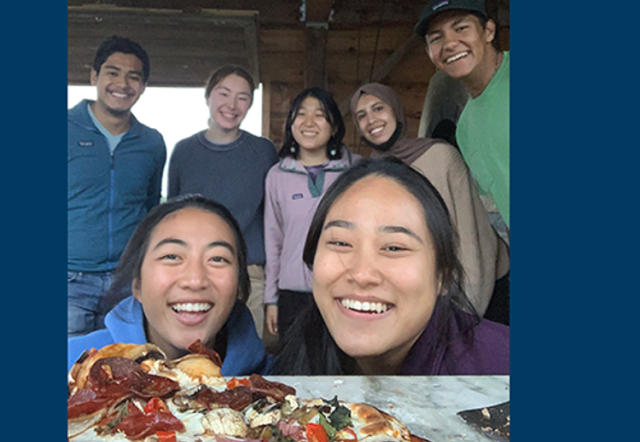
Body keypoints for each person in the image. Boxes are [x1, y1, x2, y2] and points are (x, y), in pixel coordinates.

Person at [272, 157, 509, 376]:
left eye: (394, 248)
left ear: (442, 275)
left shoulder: (501, 369)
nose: (362, 274)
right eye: (341, 242)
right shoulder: (294, 368)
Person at [350, 82, 509, 323]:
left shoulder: (441, 158)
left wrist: (467, 310)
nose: (371, 119)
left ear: (395, 111)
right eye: (361, 115)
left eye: (378, 108)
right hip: (426, 299)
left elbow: (473, 239)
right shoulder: (370, 174)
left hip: (479, 293)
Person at [68, 195, 270, 376]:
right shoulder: (72, 364)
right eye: (171, 256)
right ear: (137, 284)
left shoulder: (282, 384)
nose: (195, 280)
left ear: (239, 287)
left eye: (217, 259)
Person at [168, 65, 279, 338]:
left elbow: (275, 216)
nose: (232, 104)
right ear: (208, 97)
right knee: (197, 350)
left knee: (249, 355)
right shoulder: (184, 151)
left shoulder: (263, 151)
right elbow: (170, 217)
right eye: (224, 94)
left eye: (242, 97)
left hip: (250, 273)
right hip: (195, 271)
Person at [68, 35, 167, 337]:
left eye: (133, 76)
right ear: (94, 76)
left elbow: (150, 208)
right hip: (69, 281)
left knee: (125, 371)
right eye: (112, 72)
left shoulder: (152, 142)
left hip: (127, 283)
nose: (122, 84)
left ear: (143, 85)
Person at [263, 87, 362, 343]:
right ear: (291, 124)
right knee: (294, 372)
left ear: (334, 126)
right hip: (292, 294)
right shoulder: (277, 175)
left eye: (319, 115)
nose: (308, 122)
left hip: (344, 289)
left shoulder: (355, 170)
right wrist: (271, 299)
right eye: (300, 115)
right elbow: (274, 240)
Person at [415, 0, 510, 229]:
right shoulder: (466, 129)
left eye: (461, 28)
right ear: (430, 53)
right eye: (436, 38)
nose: (449, 43)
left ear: (488, 31)